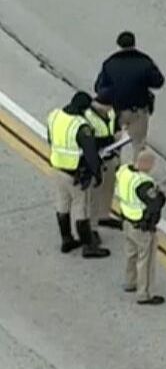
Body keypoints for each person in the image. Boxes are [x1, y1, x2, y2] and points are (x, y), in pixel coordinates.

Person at [46, 92, 109, 258]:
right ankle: (89, 246)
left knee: (62, 204)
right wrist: (97, 173)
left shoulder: (55, 115)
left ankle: (66, 239)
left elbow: (50, 139)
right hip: (75, 174)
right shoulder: (81, 126)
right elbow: (91, 154)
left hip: (57, 168)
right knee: (81, 208)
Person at [93, 31, 164, 158]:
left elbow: (98, 87)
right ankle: (137, 173)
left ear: (119, 45)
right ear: (134, 43)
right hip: (138, 111)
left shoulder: (110, 63)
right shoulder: (144, 62)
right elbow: (158, 82)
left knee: (114, 144)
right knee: (139, 144)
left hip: (117, 112)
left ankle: (114, 169)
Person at [115, 150, 166, 305]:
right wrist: (160, 193)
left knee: (131, 254)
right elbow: (155, 203)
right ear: (147, 165)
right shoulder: (144, 183)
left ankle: (130, 281)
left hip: (127, 221)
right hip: (141, 227)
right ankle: (145, 293)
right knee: (146, 260)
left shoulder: (124, 172)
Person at [85, 92, 122, 232]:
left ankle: (104, 215)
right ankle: (91, 229)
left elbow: (115, 130)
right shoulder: (87, 117)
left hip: (110, 157)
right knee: (93, 197)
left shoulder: (110, 113)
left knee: (108, 189)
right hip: (96, 161)